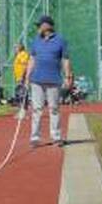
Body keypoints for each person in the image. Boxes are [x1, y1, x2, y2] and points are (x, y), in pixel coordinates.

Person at [25, 15, 71, 147]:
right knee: (37, 109)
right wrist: (27, 77)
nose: (38, 28)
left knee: (54, 109)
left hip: (54, 80)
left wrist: (67, 77)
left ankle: (56, 137)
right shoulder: (35, 41)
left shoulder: (61, 40)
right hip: (36, 80)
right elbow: (32, 59)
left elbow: (65, 60)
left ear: (47, 26)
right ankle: (35, 137)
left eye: (39, 25)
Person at [11, 42, 29, 119]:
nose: (14, 49)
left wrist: (22, 76)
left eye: (15, 47)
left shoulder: (23, 54)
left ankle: (23, 112)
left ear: (20, 47)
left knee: (23, 94)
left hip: (22, 78)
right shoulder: (18, 55)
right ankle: (20, 111)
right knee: (19, 94)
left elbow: (25, 66)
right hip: (18, 78)